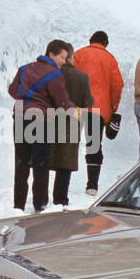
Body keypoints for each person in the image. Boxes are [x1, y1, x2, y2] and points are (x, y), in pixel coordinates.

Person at [9, 39, 76, 213]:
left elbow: (12, 90)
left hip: (20, 119)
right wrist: (74, 111)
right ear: (51, 54)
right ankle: (39, 205)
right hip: (40, 121)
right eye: (62, 57)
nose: (63, 61)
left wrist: (28, 99)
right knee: (40, 165)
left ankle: (18, 206)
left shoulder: (24, 69)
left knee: (21, 164)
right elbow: (61, 101)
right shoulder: (54, 75)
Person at [71, 30, 124, 196]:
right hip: (98, 109)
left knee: (70, 142)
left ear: (90, 40)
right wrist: (113, 107)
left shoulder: (79, 54)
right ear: (106, 43)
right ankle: (92, 185)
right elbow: (117, 86)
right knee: (93, 145)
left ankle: (63, 180)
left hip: (77, 107)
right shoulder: (110, 59)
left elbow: (68, 76)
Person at [48, 43, 94, 208]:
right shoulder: (82, 77)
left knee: (45, 160)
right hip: (71, 123)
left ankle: (41, 198)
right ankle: (60, 199)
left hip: (50, 122)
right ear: (71, 57)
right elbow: (88, 101)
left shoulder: (52, 73)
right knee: (65, 164)